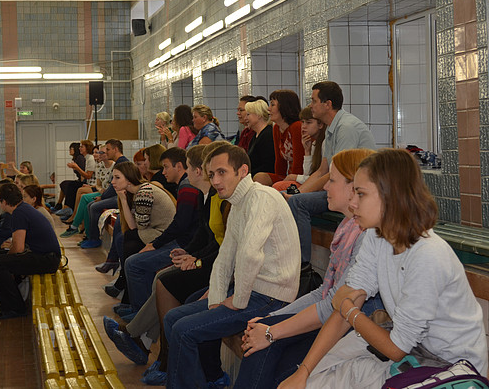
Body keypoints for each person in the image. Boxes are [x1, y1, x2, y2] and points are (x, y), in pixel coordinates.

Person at [280, 149, 488, 388]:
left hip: (451, 368)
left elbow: (395, 347)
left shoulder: (427, 255)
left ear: (390, 196)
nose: (353, 203)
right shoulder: (376, 236)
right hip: (413, 352)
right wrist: (303, 372)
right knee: (313, 379)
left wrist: (349, 310)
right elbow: (344, 305)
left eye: (361, 193)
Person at [235, 148, 377, 388]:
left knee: (268, 352)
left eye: (332, 180)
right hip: (335, 320)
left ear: (355, 187)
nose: (325, 186)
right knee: (261, 341)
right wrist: (272, 319)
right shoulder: (347, 227)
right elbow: (324, 293)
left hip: (352, 331)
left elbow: (336, 306)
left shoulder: (368, 236)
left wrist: (271, 330)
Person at [164, 144, 301, 388]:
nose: (215, 181)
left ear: (243, 171)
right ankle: (206, 380)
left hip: (271, 297)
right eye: (211, 174)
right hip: (254, 292)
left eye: (222, 172)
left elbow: (250, 255)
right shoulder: (238, 203)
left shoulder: (261, 197)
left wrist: (237, 300)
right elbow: (225, 257)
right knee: (173, 317)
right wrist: (217, 299)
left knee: (183, 330)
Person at [104, 143, 231, 385]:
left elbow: (220, 244)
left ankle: (152, 349)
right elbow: (205, 236)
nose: (163, 172)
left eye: (220, 172)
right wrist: (189, 253)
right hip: (206, 258)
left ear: (196, 171)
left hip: (218, 266)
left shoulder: (207, 195)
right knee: (158, 275)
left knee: (158, 277)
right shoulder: (206, 195)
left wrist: (195, 259)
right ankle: (142, 340)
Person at [287, 81, 376, 265]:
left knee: (297, 203)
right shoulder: (331, 129)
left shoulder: (346, 127)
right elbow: (322, 170)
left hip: (355, 191)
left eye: (314, 101)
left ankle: (302, 266)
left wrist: (298, 195)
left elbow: (338, 173)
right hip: (341, 187)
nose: (311, 105)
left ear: (327, 104)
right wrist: (298, 192)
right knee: (285, 196)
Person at [124, 147, 202, 314]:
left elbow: (181, 224)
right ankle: (138, 311)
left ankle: (139, 314)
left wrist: (155, 244)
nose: (163, 172)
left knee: (133, 264)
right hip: (184, 241)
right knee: (132, 251)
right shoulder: (185, 185)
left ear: (179, 166)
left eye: (166, 167)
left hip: (184, 244)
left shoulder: (187, 186)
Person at [0, 183, 61, 319]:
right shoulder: (23, 208)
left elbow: (18, 248)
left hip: (48, 260)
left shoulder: (18, 213)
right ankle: (10, 303)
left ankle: (15, 308)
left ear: (4, 202)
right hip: (46, 256)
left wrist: (9, 256)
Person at [109, 162, 176, 303]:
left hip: (164, 234)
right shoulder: (138, 191)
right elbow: (133, 226)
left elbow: (137, 227)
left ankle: (127, 289)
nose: (113, 182)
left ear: (128, 179)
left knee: (128, 241)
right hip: (155, 231)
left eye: (117, 177)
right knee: (125, 239)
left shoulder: (144, 192)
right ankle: (126, 288)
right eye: (113, 177)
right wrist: (123, 199)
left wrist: (123, 200)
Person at [79, 139, 129, 249]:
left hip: (121, 197)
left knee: (94, 207)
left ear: (116, 149)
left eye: (108, 149)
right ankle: (90, 236)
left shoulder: (122, 163)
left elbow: (113, 187)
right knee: (90, 205)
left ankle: (95, 239)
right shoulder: (119, 163)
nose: (106, 152)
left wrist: (102, 197)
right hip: (117, 195)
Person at [253, 89, 303, 186]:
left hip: (299, 177)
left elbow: (299, 163)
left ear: (284, 107)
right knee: (259, 177)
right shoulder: (276, 128)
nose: (268, 109)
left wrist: (285, 184)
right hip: (287, 176)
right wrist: (279, 180)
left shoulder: (297, 127)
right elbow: (279, 161)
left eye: (272, 104)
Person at [272, 106, 326, 192]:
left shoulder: (325, 143)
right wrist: (307, 151)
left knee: (279, 187)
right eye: (302, 122)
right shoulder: (314, 144)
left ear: (320, 125)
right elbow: (308, 174)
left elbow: (318, 178)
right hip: (316, 186)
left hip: (323, 188)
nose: (303, 126)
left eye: (308, 122)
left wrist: (295, 177)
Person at [54, 142, 86, 218]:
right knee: (64, 184)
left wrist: (82, 182)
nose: (69, 150)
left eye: (71, 148)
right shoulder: (77, 159)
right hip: (80, 180)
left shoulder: (80, 158)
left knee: (69, 186)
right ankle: (60, 205)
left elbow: (82, 172)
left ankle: (67, 208)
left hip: (83, 181)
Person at [245, 99, 275, 174]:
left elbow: (268, 165)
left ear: (258, 115)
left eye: (248, 114)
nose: (245, 118)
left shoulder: (268, 135)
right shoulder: (256, 136)